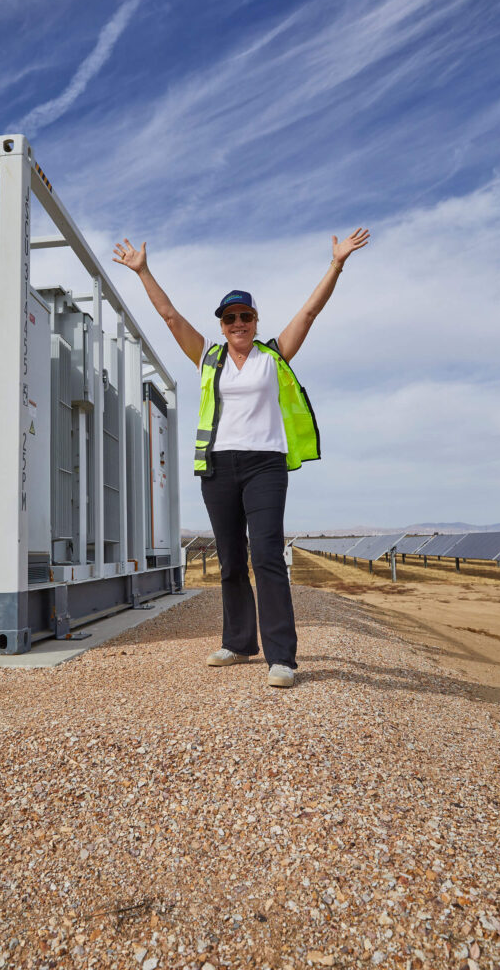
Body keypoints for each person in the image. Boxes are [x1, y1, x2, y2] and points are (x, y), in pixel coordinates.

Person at [113, 229, 370, 687]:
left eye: (245, 315)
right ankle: (238, 642)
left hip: (265, 465)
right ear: (222, 323)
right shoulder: (209, 358)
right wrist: (143, 272)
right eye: (230, 317)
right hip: (218, 468)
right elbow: (170, 317)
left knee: (267, 554)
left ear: (255, 319)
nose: (238, 323)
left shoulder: (273, 355)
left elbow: (309, 313)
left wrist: (336, 264)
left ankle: (282, 658)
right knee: (231, 559)